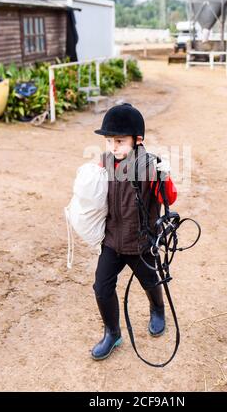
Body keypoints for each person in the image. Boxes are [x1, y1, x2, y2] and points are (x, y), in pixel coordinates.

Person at [92, 103, 177, 361]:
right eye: (109, 141)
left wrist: (165, 178)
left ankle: (157, 308)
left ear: (137, 140)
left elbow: (169, 198)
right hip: (112, 240)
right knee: (101, 287)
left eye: (119, 141)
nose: (113, 147)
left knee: (151, 281)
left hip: (140, 241)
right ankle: (112, 332)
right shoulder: (106, 161)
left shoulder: (149, 166)